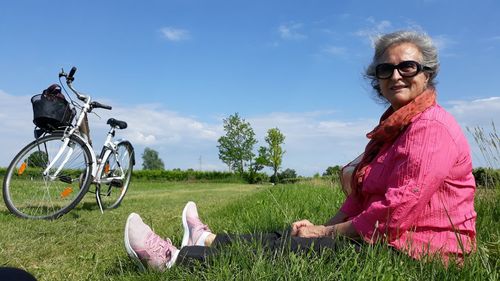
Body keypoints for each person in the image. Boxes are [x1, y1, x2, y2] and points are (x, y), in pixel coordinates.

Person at [123, 30, 476, 271]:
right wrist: (322, 226)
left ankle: (173, 259)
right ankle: (208, 239)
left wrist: (324, 234)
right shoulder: (392, 130)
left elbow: (396, 210)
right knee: (290, 234)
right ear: (377, 79)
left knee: (295, 250)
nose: (396, 75)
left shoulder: (431, 127)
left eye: (407, 66)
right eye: (386, 68)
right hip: (389, 237)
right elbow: (360, 197)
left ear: (427, 73)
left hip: (422, 250)